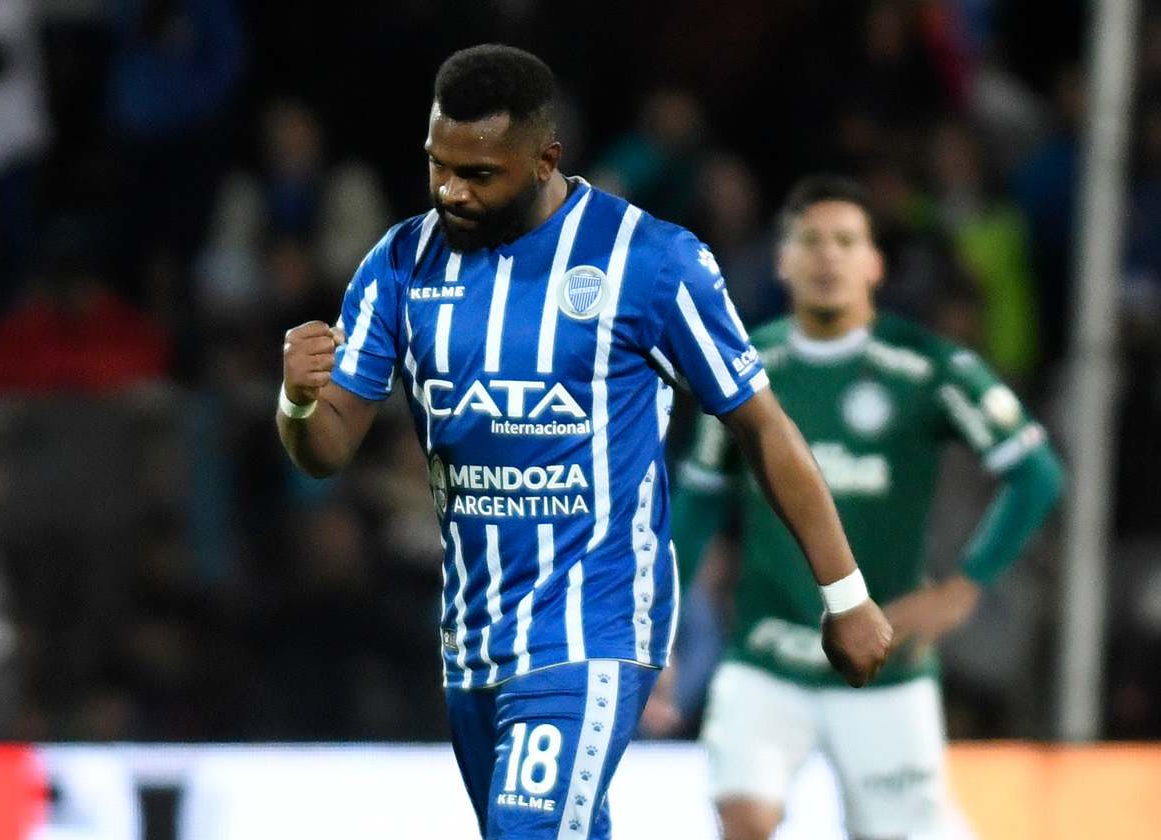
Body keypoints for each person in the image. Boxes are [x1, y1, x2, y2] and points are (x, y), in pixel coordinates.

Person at [277, 47, 891, 839]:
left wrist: (846, 596)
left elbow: (760, 426)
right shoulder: (400, 263)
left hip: (593, 624)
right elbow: (325, 450)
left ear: (545, 159)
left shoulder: (650, 261)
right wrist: (298, 399)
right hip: (472, 637)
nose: (451, 191)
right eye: (438, 166)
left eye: (479, 174)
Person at [668, 176, 1064, 840]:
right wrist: (663, 631)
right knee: (745, 818)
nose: (828, 257)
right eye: (810, 241)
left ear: (875, 264)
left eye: (846, 242)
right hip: (767, 652)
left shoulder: (927, 368)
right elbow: (699, 500)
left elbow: (1036, 473)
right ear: (782, 261)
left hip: (885, 663)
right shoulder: (743, 369)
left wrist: (965, 587)